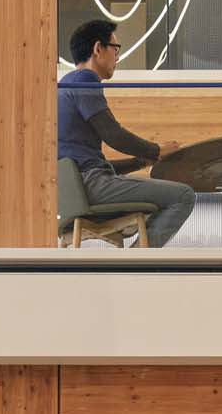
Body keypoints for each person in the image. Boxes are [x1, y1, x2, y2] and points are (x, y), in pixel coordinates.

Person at [58, 17, 195, 246]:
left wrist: (142, 161)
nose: (118, 56)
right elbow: (113, 134)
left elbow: (92, 163)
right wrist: (157, 150)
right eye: (116, 48)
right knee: (183, 196)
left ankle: (134, 261)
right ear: (98, 49)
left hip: (76, 191)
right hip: (91, 186)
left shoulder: (65, 84)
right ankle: (135, 264)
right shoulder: (85, 80)